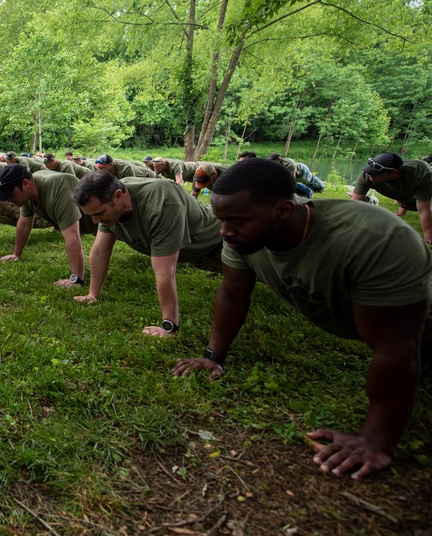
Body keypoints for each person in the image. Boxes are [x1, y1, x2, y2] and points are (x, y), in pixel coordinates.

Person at [174, 158, 432, 480]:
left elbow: (397, 346)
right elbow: (233, 293)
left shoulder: (371, 238)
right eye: (221, 220)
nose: (224, 232)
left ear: (283, 210)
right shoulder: (242, 236)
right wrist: (213, 356)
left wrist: (374, 441)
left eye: (235, 221)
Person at [73, 172, 223, 336]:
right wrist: (92, 294)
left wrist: (169, 327)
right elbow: (100, 251)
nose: (95, 221)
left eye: (99, 213)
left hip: (221, 244)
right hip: (193, 254)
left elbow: (165, 271)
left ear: (118, 197)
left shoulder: (162, 203)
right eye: (92, 215)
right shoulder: (111, 198)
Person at [0, 164, 98, 287]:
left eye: (11, 195)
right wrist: (16, 254)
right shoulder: (27, 193)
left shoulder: (58, 186)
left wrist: (76, 279)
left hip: (109, 222)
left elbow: (73, 237)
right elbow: (24, 224)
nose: (9, 200)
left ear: (26, 183)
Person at [351, 152, 432, 245]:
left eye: (376, 173)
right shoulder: (367, 175)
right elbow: (354, 205)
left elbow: (424, 209)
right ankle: (403, 208)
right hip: (405, 192)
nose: (370, 175)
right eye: (370, 170)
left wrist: (428, 240)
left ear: (394, 172)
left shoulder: (420, 174)